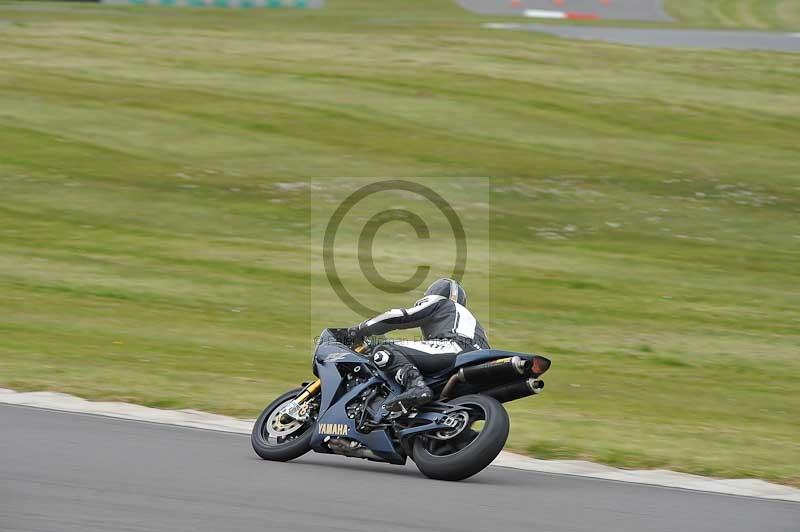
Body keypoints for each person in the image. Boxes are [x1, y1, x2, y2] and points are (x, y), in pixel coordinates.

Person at [347, 278, 490, 414]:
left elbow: (401, 316)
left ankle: (416, 387)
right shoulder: (473, 323)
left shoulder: (441, 302)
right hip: (480, 360)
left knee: (385, 349)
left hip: (455, 348)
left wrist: (361, 329)